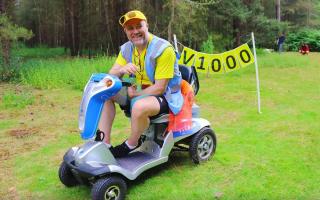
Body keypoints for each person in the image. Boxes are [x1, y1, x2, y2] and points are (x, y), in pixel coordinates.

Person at [98, 10, 183, 158]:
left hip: (166, 95)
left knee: (138, 106)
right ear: (125, 31)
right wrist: (122, 69)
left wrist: (135, 93)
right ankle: (104, 144)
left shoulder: (163, 49)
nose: (135, 31)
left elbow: (160, 88)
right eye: (130, 28)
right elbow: (110, 76)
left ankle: (132, 143)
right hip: (140, 89)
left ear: (147, 26)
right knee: (105, 93)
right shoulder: (127, 48)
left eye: (139, 26)